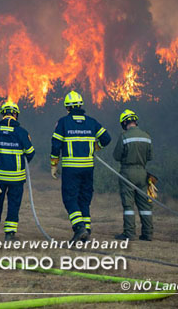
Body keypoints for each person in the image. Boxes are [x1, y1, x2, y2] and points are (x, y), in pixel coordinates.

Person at [51, 91, 111, 243]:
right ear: (80, 106)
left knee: (70, 198)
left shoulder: (63, 122)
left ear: (68, 108)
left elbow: (56, 144)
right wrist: (96, 146)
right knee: (84, 199)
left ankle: (79, 227)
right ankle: (86, 230)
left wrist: (54, 164)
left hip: (71, 168)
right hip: (88, 168)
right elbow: (107, 138)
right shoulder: (92, 122)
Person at [0, 101, 35, 242]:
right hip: (16, 178)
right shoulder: (22, 132)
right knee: (13, 204)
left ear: (3, 113)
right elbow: (30, 152)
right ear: (16, 114)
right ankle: (10, 234)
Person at [114, 110, 154, 241]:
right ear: (135, 121)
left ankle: (129, 233)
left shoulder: (124, 137)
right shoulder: (146, 136)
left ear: (124, 122)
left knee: (128, 205)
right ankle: (147, 234)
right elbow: (150, 157)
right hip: (143, 173)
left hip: (127, 172)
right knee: (145, 205)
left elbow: (117, 156)